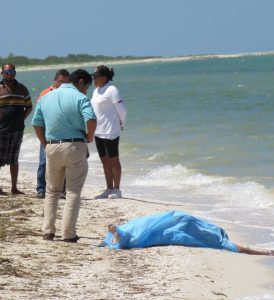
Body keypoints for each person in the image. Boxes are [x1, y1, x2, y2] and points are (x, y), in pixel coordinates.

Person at [31, 69, 96, 243]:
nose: (86, 91)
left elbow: (36, 124)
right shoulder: (80, 98)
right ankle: (68, 233)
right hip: (74, 145)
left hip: (52, 146)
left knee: (52, 190)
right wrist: (89, 137)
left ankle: (48, 231)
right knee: (73, 191)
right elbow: (91, 119)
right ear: (81, 82)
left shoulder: (46, 96)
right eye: (87, 87)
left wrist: (45, 143)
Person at [104, 210, 274, 256]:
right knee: (150, 227)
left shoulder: (217, 238)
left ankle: (119, 231)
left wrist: (265, 252)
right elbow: (242, 249)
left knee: (149, 228)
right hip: (177, 220)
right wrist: (264, 252)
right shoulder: (218, 240)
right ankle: (118, 231)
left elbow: (242, 249)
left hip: (177, 220)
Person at [91, 65, 127, 200]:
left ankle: (117, 190)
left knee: (113, 160)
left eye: (95, 77)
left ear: (104, 78)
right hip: (98, 131)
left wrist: (122, 123)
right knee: (104, 161)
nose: (93, 79)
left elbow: (122, 110)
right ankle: (108, 188)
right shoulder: (96, 91)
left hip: (111, 131)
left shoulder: (112, 90)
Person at [36, 69, 70, 199]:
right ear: (55, 80)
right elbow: (38, 115)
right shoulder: (45, 93)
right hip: (47, 132)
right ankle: (41, 189)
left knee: (64, 162)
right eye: (61, 81)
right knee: (44, 162)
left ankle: (62, 190)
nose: (63, 84)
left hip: (64, 132)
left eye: (66, 82)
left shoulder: (70, 94)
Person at [0, 63, 32, 195]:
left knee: (14, 159)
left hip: (17, 130)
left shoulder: (22, 89)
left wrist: (21, 119)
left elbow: (29, 107)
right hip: (1, 130)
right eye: (7, 72)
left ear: (15, 73)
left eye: (12, 72)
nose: (9, 75)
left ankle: (14, 187)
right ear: (2, 73)